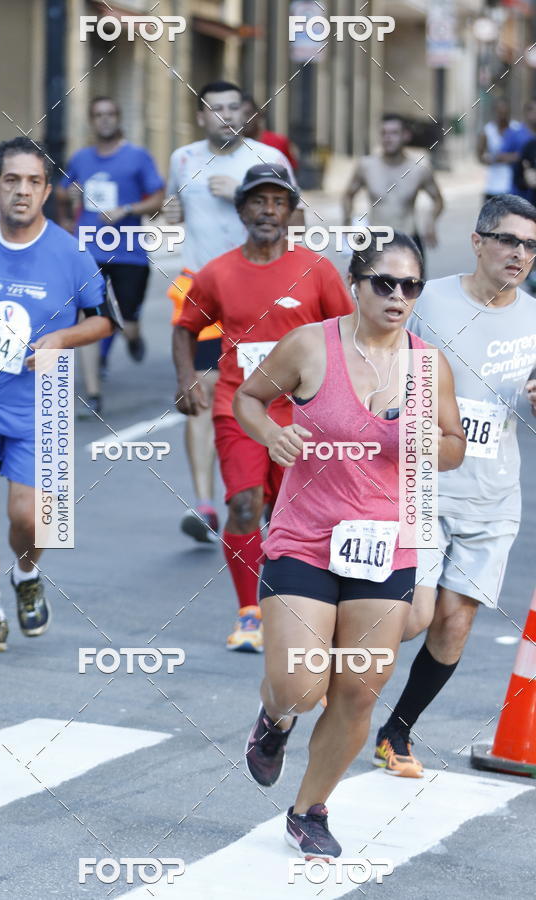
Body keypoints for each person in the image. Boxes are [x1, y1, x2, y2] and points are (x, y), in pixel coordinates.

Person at [234, 232, 465, 858]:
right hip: (306, 539)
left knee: (358, 690)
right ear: (356, 284)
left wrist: (420, 438)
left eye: (410, 286)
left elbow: (454, 446)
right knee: (303, 686)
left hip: (385, 545)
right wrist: (272, 436)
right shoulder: (312, 345)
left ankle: (309, 810)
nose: (397, 296)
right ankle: (274, 718)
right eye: (383, 283)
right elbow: (248, 399)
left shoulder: (426, 365)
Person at [374, 194, 536, 777]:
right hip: (424, 482)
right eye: (509, 241)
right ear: (478, 241)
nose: (520, 254)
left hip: (493, 495)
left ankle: (398, 732)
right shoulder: (429, 298)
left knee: (456, 619)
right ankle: (334, 683)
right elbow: (377, 360)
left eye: (531, 246)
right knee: (412, 614)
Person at [0, 137, 114, 652]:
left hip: (47, 400)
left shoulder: (72, 252)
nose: (22, 190)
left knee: (32, 519)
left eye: (33, 181)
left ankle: (27, 573)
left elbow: (104, 321)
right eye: (11, 180)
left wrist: (61, 338)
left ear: (46, 190)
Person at [173, 164, 351, 652]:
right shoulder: (218, 273)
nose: (268, 211)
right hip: (239, 408)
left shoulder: (316, 271)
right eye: (258, 201)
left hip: (303, 416)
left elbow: (348, 333)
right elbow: (185, 326)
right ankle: (248, 612)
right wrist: (187, 378)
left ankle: (293, 602)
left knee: (290, 513)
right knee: (245, 504)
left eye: (278, 202)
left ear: (291, 213)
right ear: (241, 209)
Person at [165, 80, 304, 545]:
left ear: (245, 113)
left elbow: (298, 221)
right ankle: (204, 504)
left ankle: (267, 494)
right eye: (215, 108)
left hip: (263, 296)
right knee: (204, 394)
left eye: (233, 107)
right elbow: (174, 209)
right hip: (205, 294)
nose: (225, 115)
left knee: (264, 393)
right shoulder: (182, 159)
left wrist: (236, 197)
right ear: (200, 116)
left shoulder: (269, 161)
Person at [57, 96, 165, 415]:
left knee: (125, 323)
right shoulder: (81, 158)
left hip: (129, 253)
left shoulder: (137, 157)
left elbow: (158, 199)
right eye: (98, 114)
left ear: (119, 118)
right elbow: (62, 194)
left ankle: (133, 335)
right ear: (91, 121)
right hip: (88, 250)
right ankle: (93, 392)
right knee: (89, 317)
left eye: (110, 113)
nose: (104, 119)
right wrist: (67, 202)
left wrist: (127, 209)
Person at [342, 113, 444, 256]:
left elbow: (438, 199)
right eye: (384, 133)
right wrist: (347, 222)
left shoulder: (419, 169)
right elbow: (348, 195)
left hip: (408, 240)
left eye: (394, 133)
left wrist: (430, 222)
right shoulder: (366, 166)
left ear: (406, 136)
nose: (388, 138)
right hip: (375, 241)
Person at [241, 93, 299, 170]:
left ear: (258, 115)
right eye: (240, 115)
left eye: (248, 114)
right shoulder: (231, 146)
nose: (244, 120)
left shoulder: (278, 141)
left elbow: (291, 170)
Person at [477, 98, 520, 201]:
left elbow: (522, 154)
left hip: (512, 184)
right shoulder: (488, 131)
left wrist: (507, 158)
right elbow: (480, 156)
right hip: (493, 185)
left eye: (504, 112)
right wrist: (492, 159)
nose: (502, 115)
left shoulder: (516, 128)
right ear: (495, 112)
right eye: (499, 112)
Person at [494, 98, 536, 198]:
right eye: (532, 110)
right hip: (519, 191)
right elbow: (500, 156)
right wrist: (520, 157)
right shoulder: (515, 133)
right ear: (526, 113)